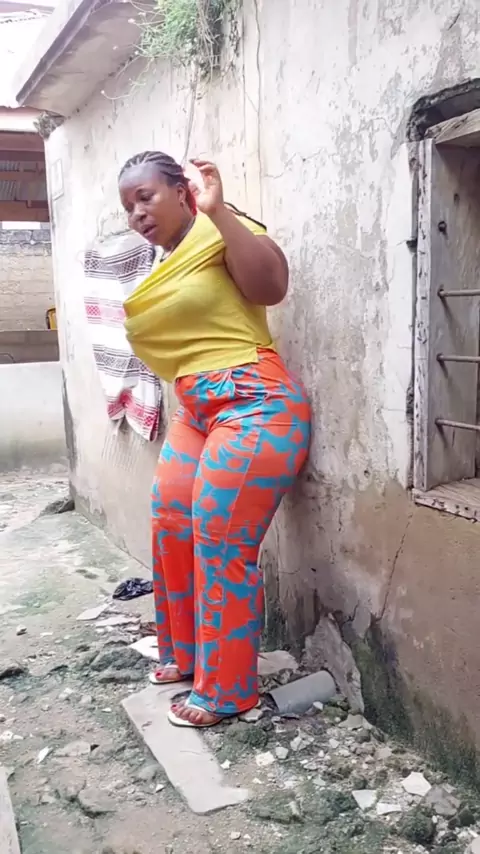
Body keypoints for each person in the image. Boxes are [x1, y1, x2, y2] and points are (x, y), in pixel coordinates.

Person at [118, 151, 311, 728]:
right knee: (171, 520)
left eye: (146, 197)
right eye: (127, 206)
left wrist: (220, 212)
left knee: (221, 538)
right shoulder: (170, 263)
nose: (136, 213)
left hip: (256, 402)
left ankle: (228, 691)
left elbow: (271, 287)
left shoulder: (221, 231)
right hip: (197, 408)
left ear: (182, 191)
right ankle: (185, 656)